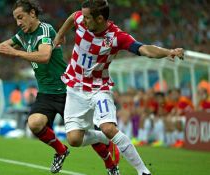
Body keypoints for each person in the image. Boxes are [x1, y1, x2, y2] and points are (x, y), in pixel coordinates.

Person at [0, 0, 120, 174]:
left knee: (83, 134)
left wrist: (16, 52)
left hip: (67, 91)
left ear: (32, 14)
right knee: (34, 123)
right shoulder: (23, 36)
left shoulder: (45, 30)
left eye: (20, 17)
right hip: (46, 93)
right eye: (16, 19)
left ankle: (111, 165)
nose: (18, 23)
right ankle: (61, 151)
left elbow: (44, 55)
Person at [54, 0, 184, 175]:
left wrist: (168, 52)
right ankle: (104, 139)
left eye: (86, 18)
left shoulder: (116, 37)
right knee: (74, 140)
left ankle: (143, 171)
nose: (82, 20)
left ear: (100, 18)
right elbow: (72, 17)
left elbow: (144, 49)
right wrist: (60, 35)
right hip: (75, 87)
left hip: (99, 88)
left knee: (108, 127)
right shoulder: (80, 19)